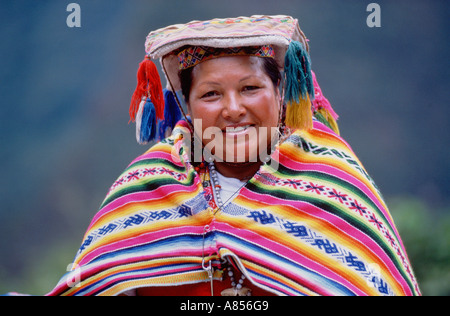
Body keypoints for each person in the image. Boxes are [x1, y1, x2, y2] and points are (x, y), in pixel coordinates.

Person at [47, 15, 420, 296]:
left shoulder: (333, 176)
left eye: (250, 88)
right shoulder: (148, 184)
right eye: (210, 95)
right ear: (187, 108)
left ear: (280, 93)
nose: (232, 109)